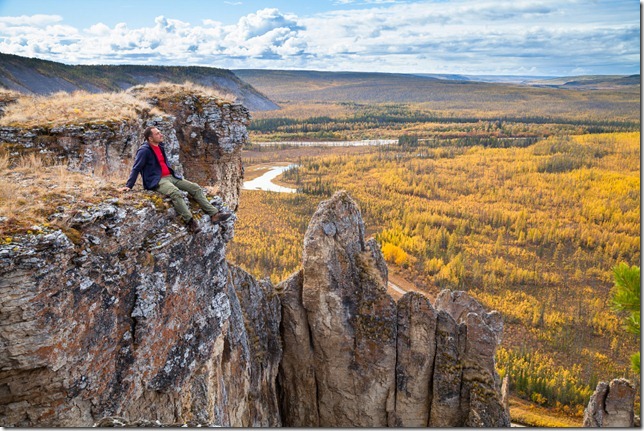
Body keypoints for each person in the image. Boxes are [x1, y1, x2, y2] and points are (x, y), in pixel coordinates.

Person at [121, 126, 232, 233]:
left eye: (160, 132)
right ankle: (190, 222)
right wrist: (129, 186)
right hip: (158, 180)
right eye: (157, 133)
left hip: (171, 176)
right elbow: (136, 168)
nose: (161, 134)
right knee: (175, 192)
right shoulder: (144, 151)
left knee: (195, 188)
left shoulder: (160, 146)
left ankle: (214, 214)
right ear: (150, 138)